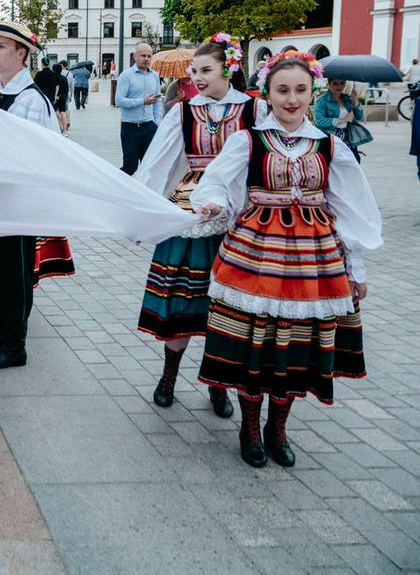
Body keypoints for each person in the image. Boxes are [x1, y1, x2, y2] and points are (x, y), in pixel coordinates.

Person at [192, 51, 382, 468]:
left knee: (295, 345)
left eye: (299, 90)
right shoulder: (248, 140)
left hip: (313, 265)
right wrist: (211, 205)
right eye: (282, 90)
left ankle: (279, 427)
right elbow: (218, 183)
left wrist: (358, 269)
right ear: (269, 94)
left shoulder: (330, 146)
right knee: (252, 343)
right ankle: (251, 428)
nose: (291, 99)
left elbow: (349, 208)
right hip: (255, 257)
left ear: (310, 91)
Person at [134, 33, 262, 421]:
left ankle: (217, 384)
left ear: (230, 68)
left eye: (206, 70)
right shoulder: (184, 111)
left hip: (236, 217)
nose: (197, 78)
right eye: (194, 71)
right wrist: (141, 208)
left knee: (223, 309)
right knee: (181, 304)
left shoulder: (254, 111)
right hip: (190, 214)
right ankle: (169, 376)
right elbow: (158, 162)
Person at [0, 21, 62, 371]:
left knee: (14, 275)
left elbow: (36, 156)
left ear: (22, 53)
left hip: (17, 204)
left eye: (2, 46)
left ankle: (14, 345)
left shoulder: (31, 99)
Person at [116, 43, 163, 175]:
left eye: (149, 56)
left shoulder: (154, 75)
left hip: (149, 127)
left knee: (149, 166)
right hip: (130, 127)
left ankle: (147, 193)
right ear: (135, 56)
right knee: (130, 167)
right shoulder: (126, 76)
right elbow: (119, 101)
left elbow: (157, 101)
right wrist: (142, 101)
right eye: (143, 55)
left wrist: (157, 121)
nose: (146, 59)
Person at [314, 78, 370, 161]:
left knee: (354, 161)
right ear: (329, 84)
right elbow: (320, 121)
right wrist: (343, 120)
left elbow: (359, 116)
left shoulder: (346, 99)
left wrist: (355, 100)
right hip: (331, 137)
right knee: (335, 164)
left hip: (347, 136)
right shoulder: (322, 101)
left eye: (342, 83)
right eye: (335, 83)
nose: (339, 86)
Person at [53, 61, 71, 134]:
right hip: (63, 96)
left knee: (55, 111)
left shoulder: (54, 77)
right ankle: (65, 127)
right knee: (62, 111)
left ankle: (65, 124)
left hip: (57, 97)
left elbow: (54, 88)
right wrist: (65, 95)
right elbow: (67, 88)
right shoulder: (64, 78)